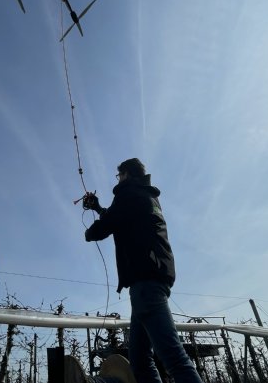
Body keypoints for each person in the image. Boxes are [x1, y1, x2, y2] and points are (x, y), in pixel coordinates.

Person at [82, 158, 202, 383]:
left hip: (145, 282)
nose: (118, 179)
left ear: (125, 174)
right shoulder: (147, 196)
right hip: (152, 279)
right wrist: (98, 208)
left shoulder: (128, 194)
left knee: (175, 359)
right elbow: (121, 216)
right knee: (139, 362)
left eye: (119, 175)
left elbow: (109, 224)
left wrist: (89, 233)